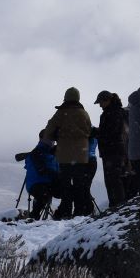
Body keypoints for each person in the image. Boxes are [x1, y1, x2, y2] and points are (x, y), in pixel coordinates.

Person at [44, 86, 94, 219]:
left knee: (65, 185)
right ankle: (79, 212)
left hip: (64, 155)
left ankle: (66, 212)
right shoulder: (84, 113)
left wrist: (57, 136)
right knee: (79, 185)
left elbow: (48, 131)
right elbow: (89, 131)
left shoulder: (61, 113)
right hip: (81, 155)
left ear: (66, 97)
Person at [95, 90, 130, 208]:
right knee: (117, 180)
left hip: (112, 151)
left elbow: (111, 132)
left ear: (107, 100)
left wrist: (96, 132)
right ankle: (118, 206)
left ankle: (117, 207)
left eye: (101, 102)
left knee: (113, 181)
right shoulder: (120, 112)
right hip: (119, 151)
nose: (100, 105)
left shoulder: (111, 114)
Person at [23, 130, 59, 220]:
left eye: (52, 139)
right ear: (41, 139)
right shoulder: (37, 152)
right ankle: (34, 216)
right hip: (37, 184)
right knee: (43, 194)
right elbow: (42, 170)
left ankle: (62, 213)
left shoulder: (54, 152)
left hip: (50, 183)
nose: (51, 141)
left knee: (68, 190)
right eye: (49, 139)